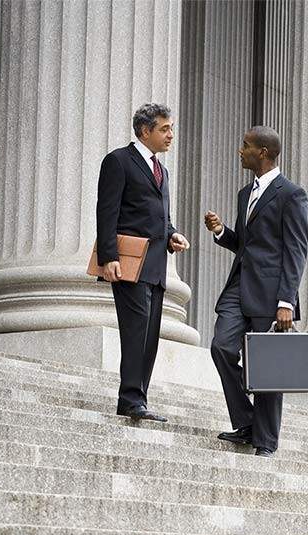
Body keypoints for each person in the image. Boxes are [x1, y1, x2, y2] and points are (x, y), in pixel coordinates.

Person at [205, 126, 308, 457]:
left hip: (272, 293)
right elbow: (248, 246)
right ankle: (247, 421)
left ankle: (265, 442)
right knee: (221, 346)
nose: (240, 150)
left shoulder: (292, 194)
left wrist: (286, 301)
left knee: (267, 367)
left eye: (245, 145)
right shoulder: (243, 194)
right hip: (239, 285)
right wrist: (222, 232)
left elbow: (296, 250)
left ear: (262, 152)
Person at [96, 102, 190, 422]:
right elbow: (107, 212)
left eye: (171, 128)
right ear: (144, 131)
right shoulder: (119, 161)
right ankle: (130, 398)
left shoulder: (162, 170)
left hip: (156, 266)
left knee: (149, 335)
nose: (171, 135)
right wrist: (109, 257)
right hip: (128, 263)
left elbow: (161, 217)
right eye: (165, 129)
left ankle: (139, 398)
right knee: (135, 331)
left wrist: (173, 234)